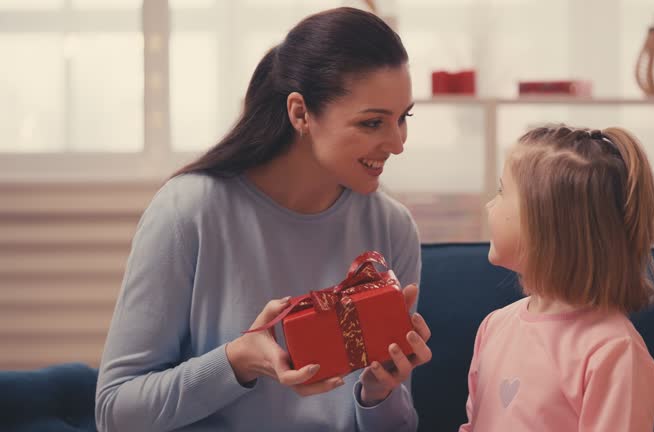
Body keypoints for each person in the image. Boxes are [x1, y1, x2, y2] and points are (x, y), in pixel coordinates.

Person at [95, 7, 432, 432]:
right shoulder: (188, 212)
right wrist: (238, 362)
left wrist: (378, 393)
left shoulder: (393, 227)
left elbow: (398, 425)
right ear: (300, 113)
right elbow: (115, 412)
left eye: (404, 118)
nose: (398, 144)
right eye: (372, 122)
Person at [459, 125, 654, 431]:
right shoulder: (494, 327)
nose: (490, 204)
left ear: (546, 224)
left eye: (502, 191)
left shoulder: (614, 351)